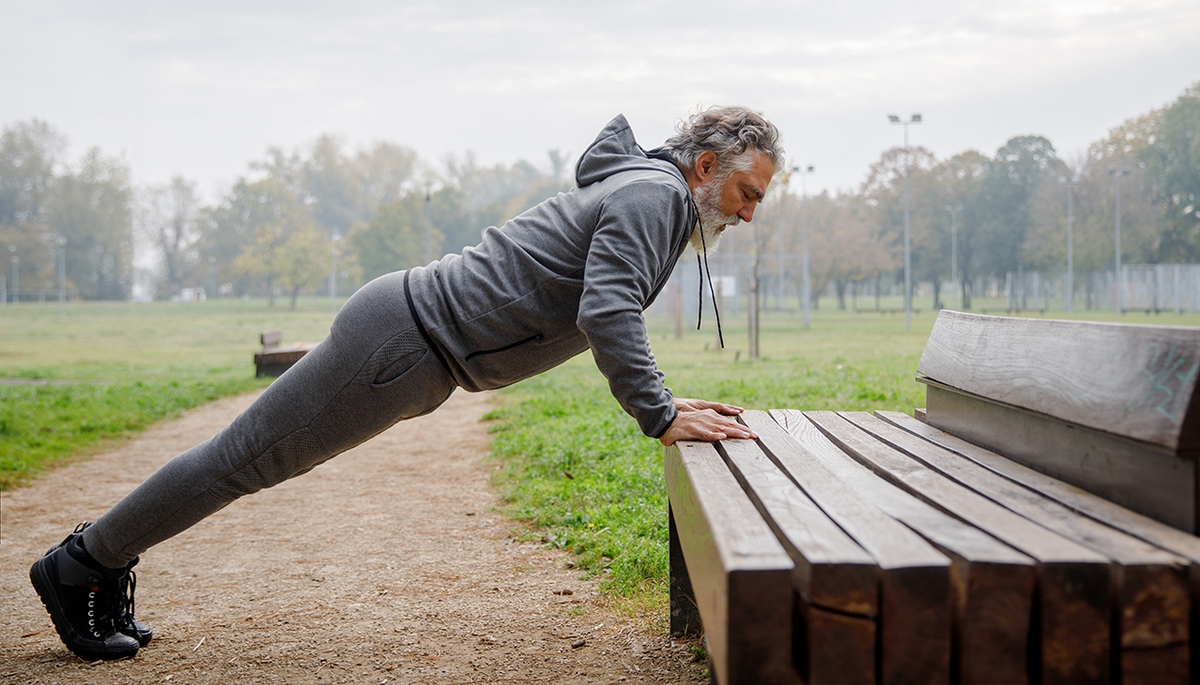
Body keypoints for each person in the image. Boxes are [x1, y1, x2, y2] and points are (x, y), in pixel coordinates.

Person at [29, 106, 784, 660]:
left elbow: (601, 304)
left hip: (409, 343)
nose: (749, 214)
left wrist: (667, 400)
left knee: (245, 459)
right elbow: (607, 307)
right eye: (749, 192)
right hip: (401, 344)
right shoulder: (658, 196)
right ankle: (81, 563)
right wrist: (657, 413)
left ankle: (98, 560)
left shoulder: (648, 192)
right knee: (243, 460)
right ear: (707, 165)